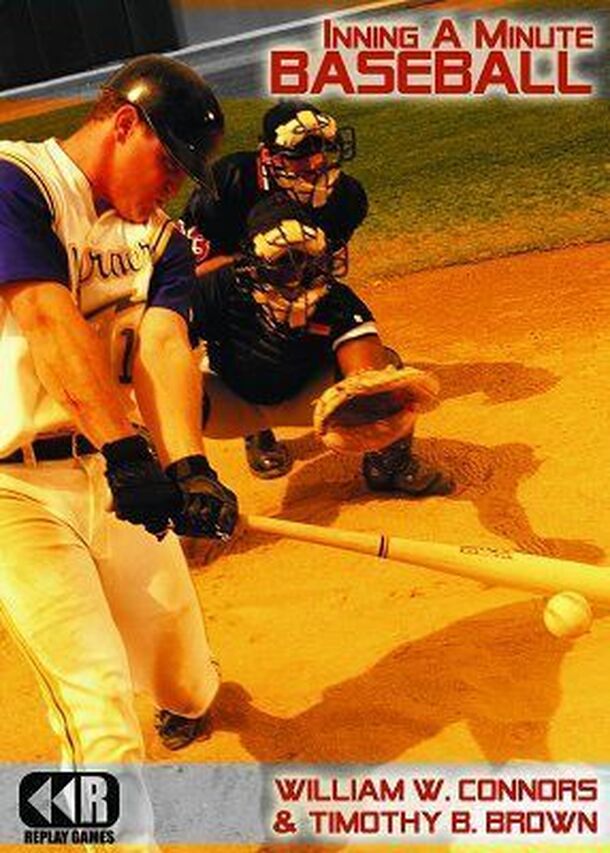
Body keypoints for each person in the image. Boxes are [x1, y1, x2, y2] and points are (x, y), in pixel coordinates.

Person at [0, 54, 237, 850]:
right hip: (13, 493)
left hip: (110, 472)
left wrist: (189, 466)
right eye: (169, 162)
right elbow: (46, 316)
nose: (173, 185)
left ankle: (187, 694)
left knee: (187, 681)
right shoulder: (16, 182)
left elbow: (164, 345)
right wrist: (129, 451)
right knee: (97, 707)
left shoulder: (160, 239)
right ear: (124, 123)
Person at [190, 194, 452, 498]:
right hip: (231, 402)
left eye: (303, 257)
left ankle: (389, 467)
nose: (296, 273)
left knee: (386, 370)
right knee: (166, 387)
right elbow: (165, 350)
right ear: (251, 262)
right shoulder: (216, 287)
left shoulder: (335, 298)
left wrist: (371, 404)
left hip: (310, 402)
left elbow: (366, 376)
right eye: (282, 260)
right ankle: (187, 486)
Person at [181, 100, 367, 479]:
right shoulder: (229, 181)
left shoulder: (346, 198)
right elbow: (191, 266)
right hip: (234, 275)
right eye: (300, 153)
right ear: (268, 155)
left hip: (301, 275)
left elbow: (326, 262)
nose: (317, 161)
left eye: (322, 148)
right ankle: (253, 425)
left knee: (312, 319)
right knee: (236, 332)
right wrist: (250, 269)